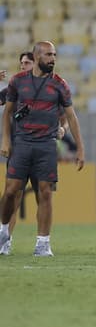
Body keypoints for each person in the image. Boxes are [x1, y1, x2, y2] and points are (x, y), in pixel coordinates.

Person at [0, 42, 85, 257]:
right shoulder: (17, 82)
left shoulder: (60, 84)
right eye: (48, 54)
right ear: (37, 56)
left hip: (46, 145)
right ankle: (3, 231)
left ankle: (43, 243)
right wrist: (6, 140)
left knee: (45, 193)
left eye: (54, 54)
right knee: (10, 192)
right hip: (21, 143)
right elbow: (7, 112)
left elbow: (71, 116)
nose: (53, 58)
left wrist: (80, 149)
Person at [0, 52, 37, 254]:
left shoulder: (50, 87)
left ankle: (43, 243)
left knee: (43, 197)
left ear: (36, 64)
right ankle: (5, 240)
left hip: (41, 150)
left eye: (27, 62)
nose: (23, 66)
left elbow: (63, 114)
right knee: (12, 196)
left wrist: (62, 129)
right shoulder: (13, 88)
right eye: (21, 63)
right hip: (18, 150)